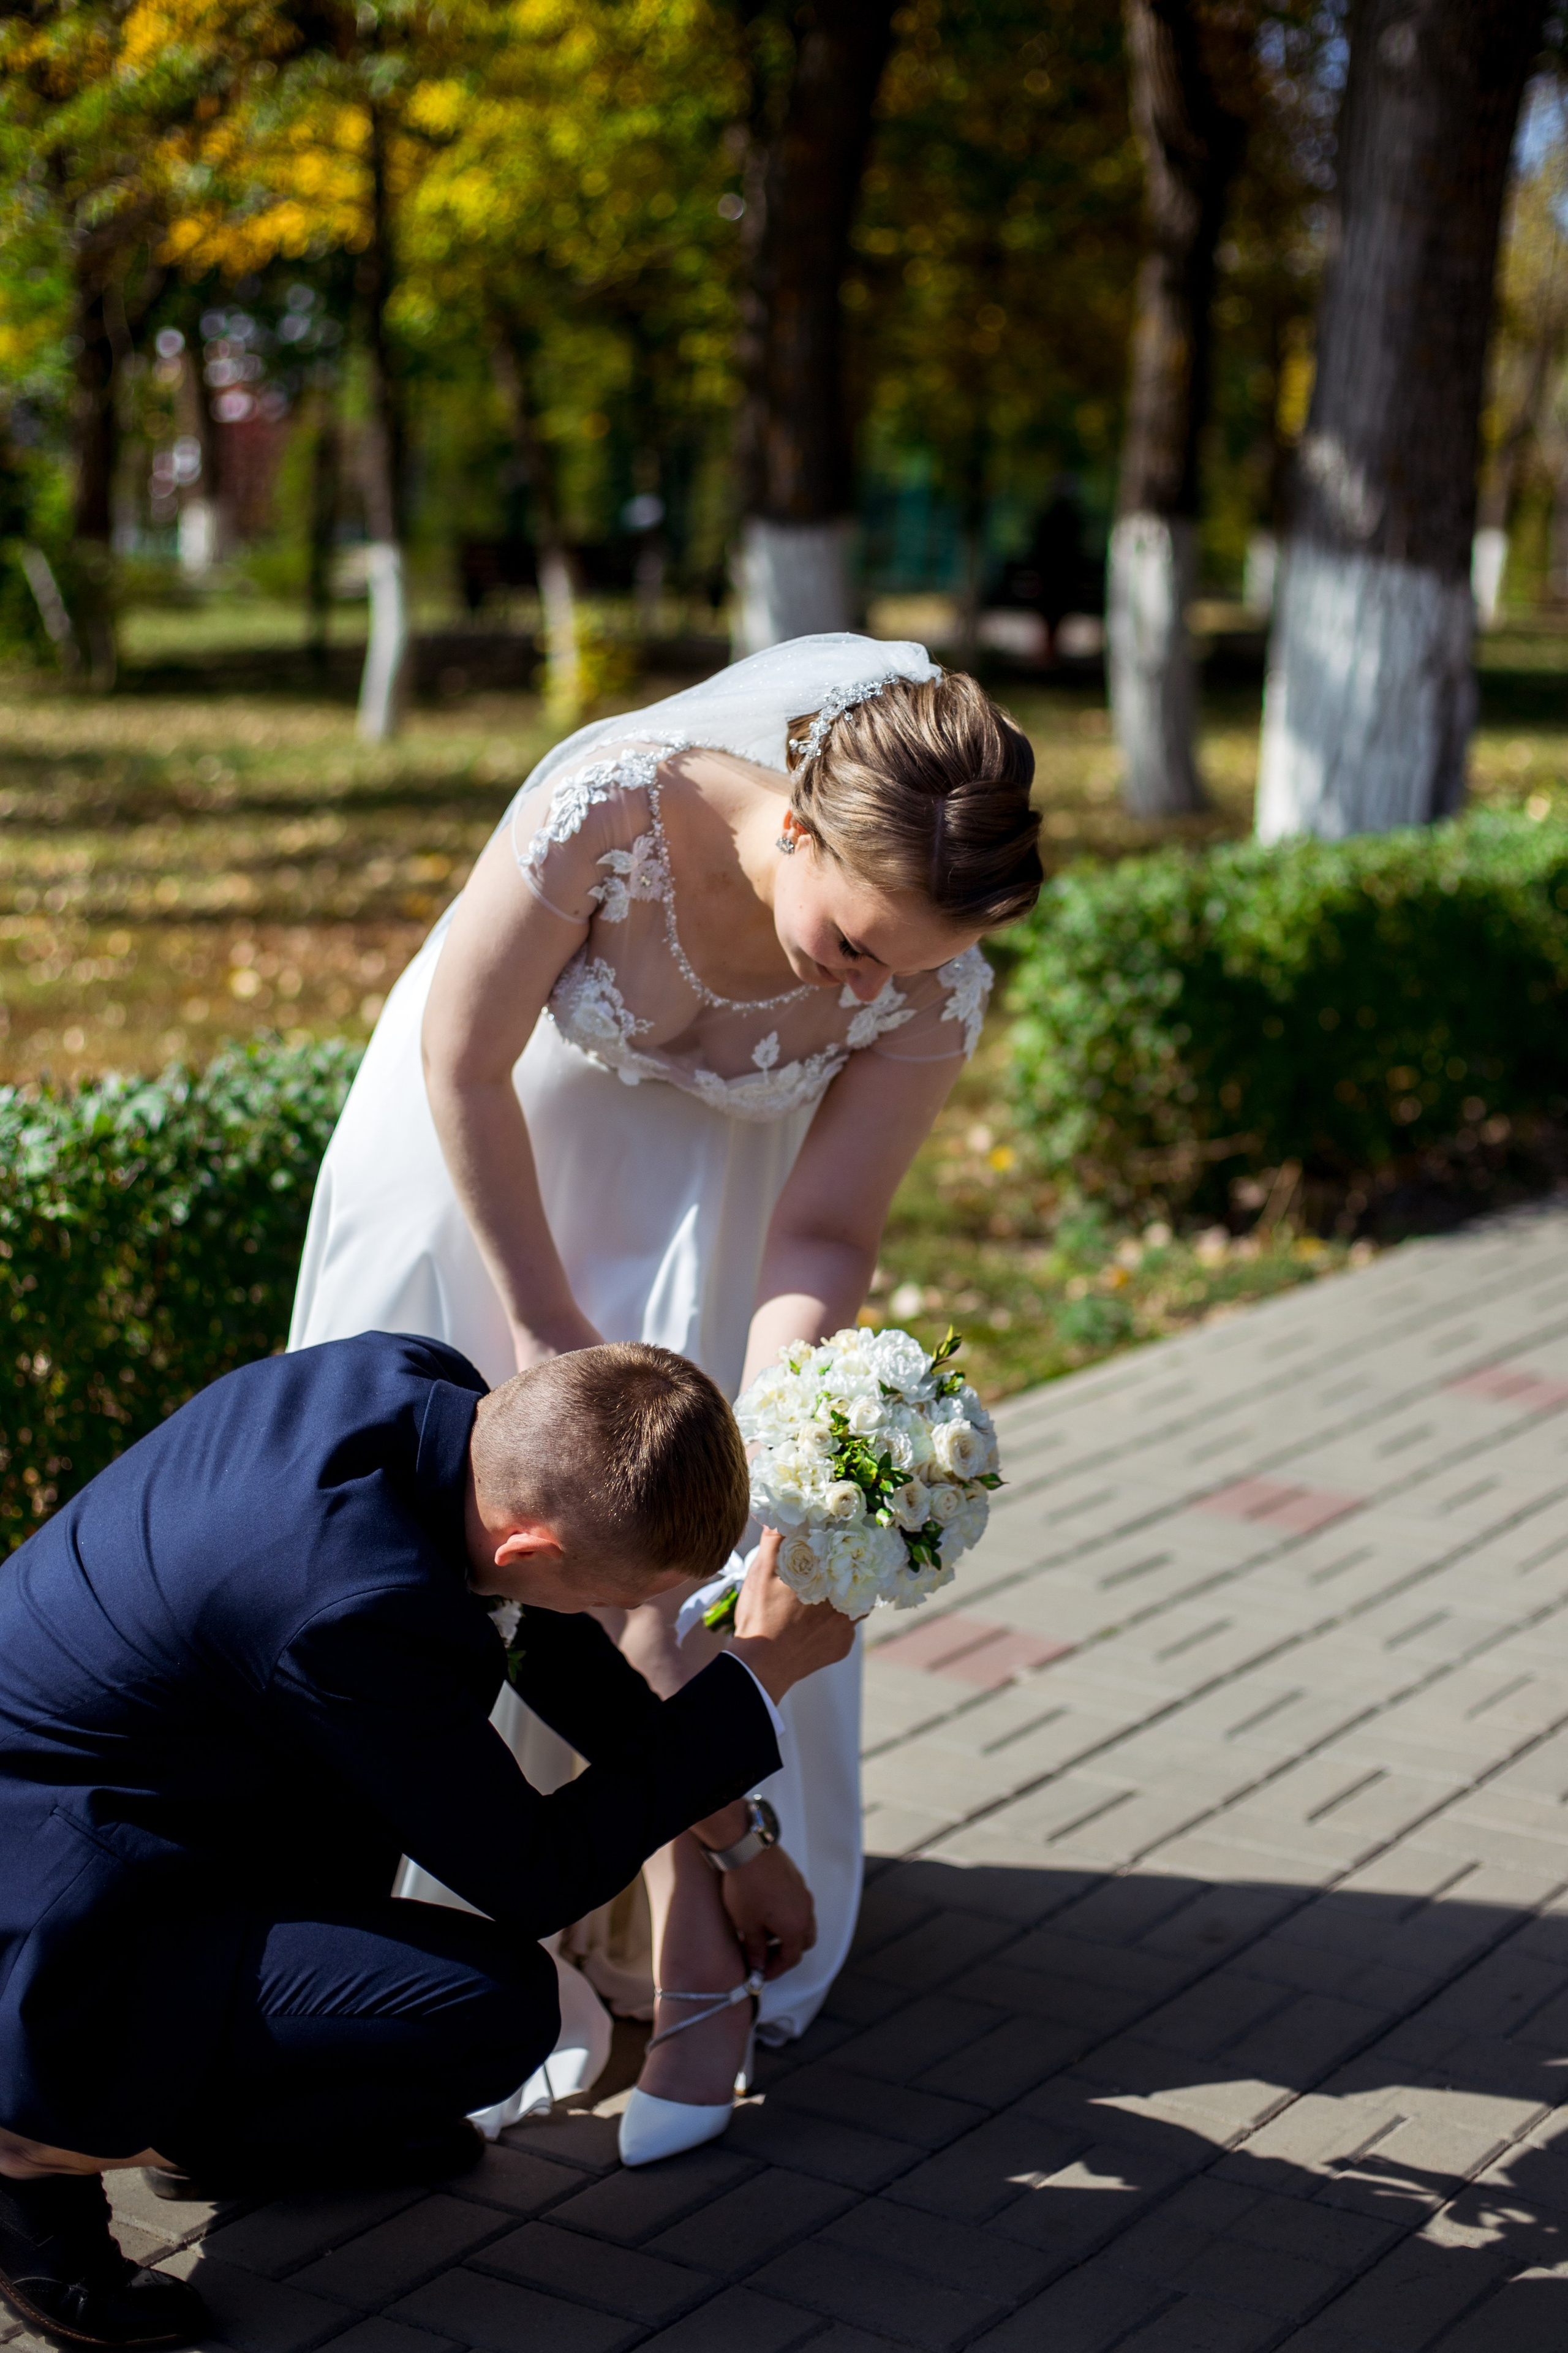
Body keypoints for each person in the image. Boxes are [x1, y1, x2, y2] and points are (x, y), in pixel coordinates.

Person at [290, 632, 1044, 2162]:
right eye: (851, 945)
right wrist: (548, 1330)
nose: (876, 986)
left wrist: (758, 1439)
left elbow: (826, 1232)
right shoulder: (611, 804)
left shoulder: (922, 969)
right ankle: (452, 1932)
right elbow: (460, 1054)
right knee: (491, 1541)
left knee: (677, 1554)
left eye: (907, 965)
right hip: (483, 1164)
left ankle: (676, 1925)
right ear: (793, 828)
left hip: (717, 1204)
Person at [0, 1331, 852, 2352]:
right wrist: (755, 1678)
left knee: (388, 1835)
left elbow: (551, 1646)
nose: (622, 1616)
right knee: (491, 2011)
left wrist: (739, 1843)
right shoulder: (351, 1605)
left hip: (172, 1799)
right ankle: (35, 2161)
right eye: (619, 1596)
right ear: (527, 1549)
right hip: (61, 1912)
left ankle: (219, 2127)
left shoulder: (428, 1392)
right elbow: (535, 1874)